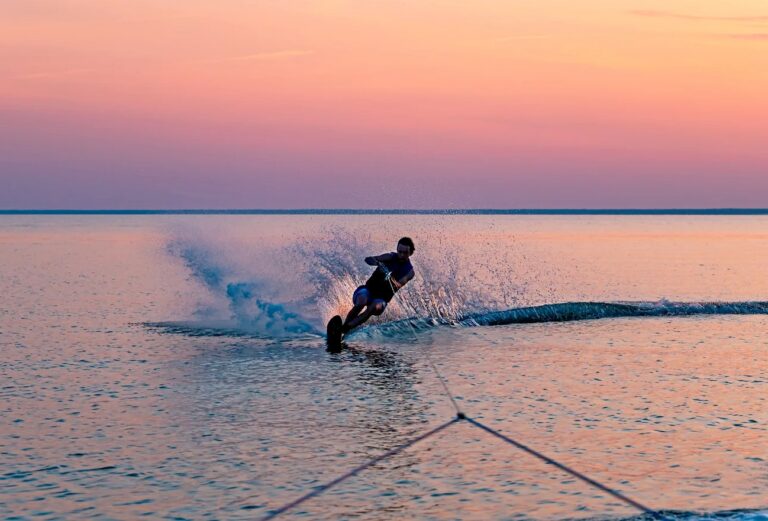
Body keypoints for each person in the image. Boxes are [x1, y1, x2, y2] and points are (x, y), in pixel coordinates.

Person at [342, 237, 416, 333]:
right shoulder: (389, 257)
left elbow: (399, 284)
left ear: (410, 253)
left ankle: (346, 328)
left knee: (373, 307)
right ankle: (344, 327)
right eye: (399, 251)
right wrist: (376, 262)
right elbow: (368, 259)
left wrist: (390, 276)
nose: (401, 255)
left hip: (381, 299)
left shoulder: (410, 272)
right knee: (361, 301)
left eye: (405, 253)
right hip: (367, 290)